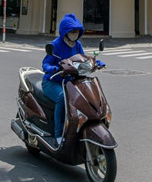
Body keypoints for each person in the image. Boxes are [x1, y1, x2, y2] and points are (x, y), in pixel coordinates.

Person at [40, 14, 104, 149]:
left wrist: (96, 62)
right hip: (53, 82)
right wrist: (53, 68)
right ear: (65, 32)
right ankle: (58, 134)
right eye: (72, 32)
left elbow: (82, 58)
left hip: (71, 82)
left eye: (77, 32)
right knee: (63, 97)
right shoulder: (56, 45)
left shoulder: (77, 44)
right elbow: (45, 63)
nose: (75, 34)